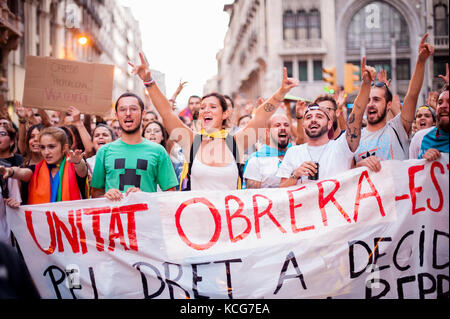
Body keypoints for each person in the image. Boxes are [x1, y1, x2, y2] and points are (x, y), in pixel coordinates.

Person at [130, 52, 299, 191]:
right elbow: (167, 114)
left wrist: (280, 93)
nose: (206, 111)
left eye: (212, 107)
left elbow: (261, 117)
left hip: (230, 225)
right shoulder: (191, 141)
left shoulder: (236, 143)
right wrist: (148, 82)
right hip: (196, 224)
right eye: (203, 108)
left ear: (225, 113)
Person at [277, 57, 373, 186]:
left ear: (329, 124)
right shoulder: (293, 153)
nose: (313, 120)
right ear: (304, 124)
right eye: (309, 117)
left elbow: (356, 116)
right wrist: (295, 175)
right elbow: (279, 192)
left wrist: (366, 84)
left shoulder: (341, 146)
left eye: (319, 116)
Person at [354, 33, 434, 171]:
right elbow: (345, 176)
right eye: (368, 100)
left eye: (377, 100)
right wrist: (360, 165)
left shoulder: (398, 128)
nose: (371, 104)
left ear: (388, 105)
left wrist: (421, 61)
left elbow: (412, 95)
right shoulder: (354, 139)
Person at [90, 92, 179, 201]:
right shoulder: (104, 151)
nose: (128, 113)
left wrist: (146, 197)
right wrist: (106, 195)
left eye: (133, 109)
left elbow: (171, 194)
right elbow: (95, 193)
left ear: (143, 113)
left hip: (147, 216)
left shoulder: (158, 151)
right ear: (116, 115)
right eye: (122, 109)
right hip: (114, 217)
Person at [1, 126, 88, 205]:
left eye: (51, 147)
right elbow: (22, 172)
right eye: (42, 147)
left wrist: (77, 162)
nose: (46, 152)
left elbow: (82, 171)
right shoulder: (36, 169)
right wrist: (9, 171)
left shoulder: (75, 163)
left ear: (64, 148)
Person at [243, 113, 292, 188]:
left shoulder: (296, 155)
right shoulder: (256, 160)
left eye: (286, 125)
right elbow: (252, 195)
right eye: (277, 125)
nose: (283, 128)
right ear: (268, 132)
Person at [409, 85, 449, 160]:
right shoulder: (420, 137)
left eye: (427, 116)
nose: (443, 106)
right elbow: (411, 168)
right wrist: (424, 163)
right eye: (440, 103)